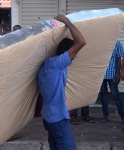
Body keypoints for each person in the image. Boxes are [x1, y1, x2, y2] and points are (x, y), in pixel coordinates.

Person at [38, 14, 86, 150]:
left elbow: (41, 92)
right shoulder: (58, 64)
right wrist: (67, 21)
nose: (75, 56)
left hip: (48, 118)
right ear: (67, 52)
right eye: (74, 53)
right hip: (58, 119)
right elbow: (81, 42)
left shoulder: (47, 65)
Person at [100, 40, 124, 123]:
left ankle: (122, 116)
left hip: (112, 74)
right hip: (101, 74)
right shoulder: (100, 42)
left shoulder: (116, 42)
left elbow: (119, 58)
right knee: (103, 95)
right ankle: (105, 116)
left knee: (116, 95)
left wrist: (118, 73)